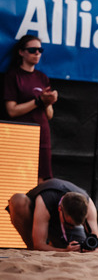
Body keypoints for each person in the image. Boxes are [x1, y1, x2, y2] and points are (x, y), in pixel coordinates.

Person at [3, 35, 59, 180]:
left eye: (40, 50)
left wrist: (48, 102)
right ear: (21, 52)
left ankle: (39, 203)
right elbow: (12, 111)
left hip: (41, 133)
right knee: (18, 177)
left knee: (42, 178)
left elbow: (50, 115)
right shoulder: (13, 76)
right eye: (32, 50)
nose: (37, 53)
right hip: (20, 134)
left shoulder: (42, 77)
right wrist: (38, 101)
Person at [6, 178, 98, 252]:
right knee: (18, 200)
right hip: (37, 220)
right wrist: (65, 252)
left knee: (80, 248)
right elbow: (39, 245)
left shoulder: (89, 204)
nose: (71, 227)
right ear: (60, 209)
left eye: (76, 225)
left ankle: (62, 238)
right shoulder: (45, 200)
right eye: (69, 224)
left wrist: (95, 250)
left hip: (60, 221)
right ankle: (31, 249)